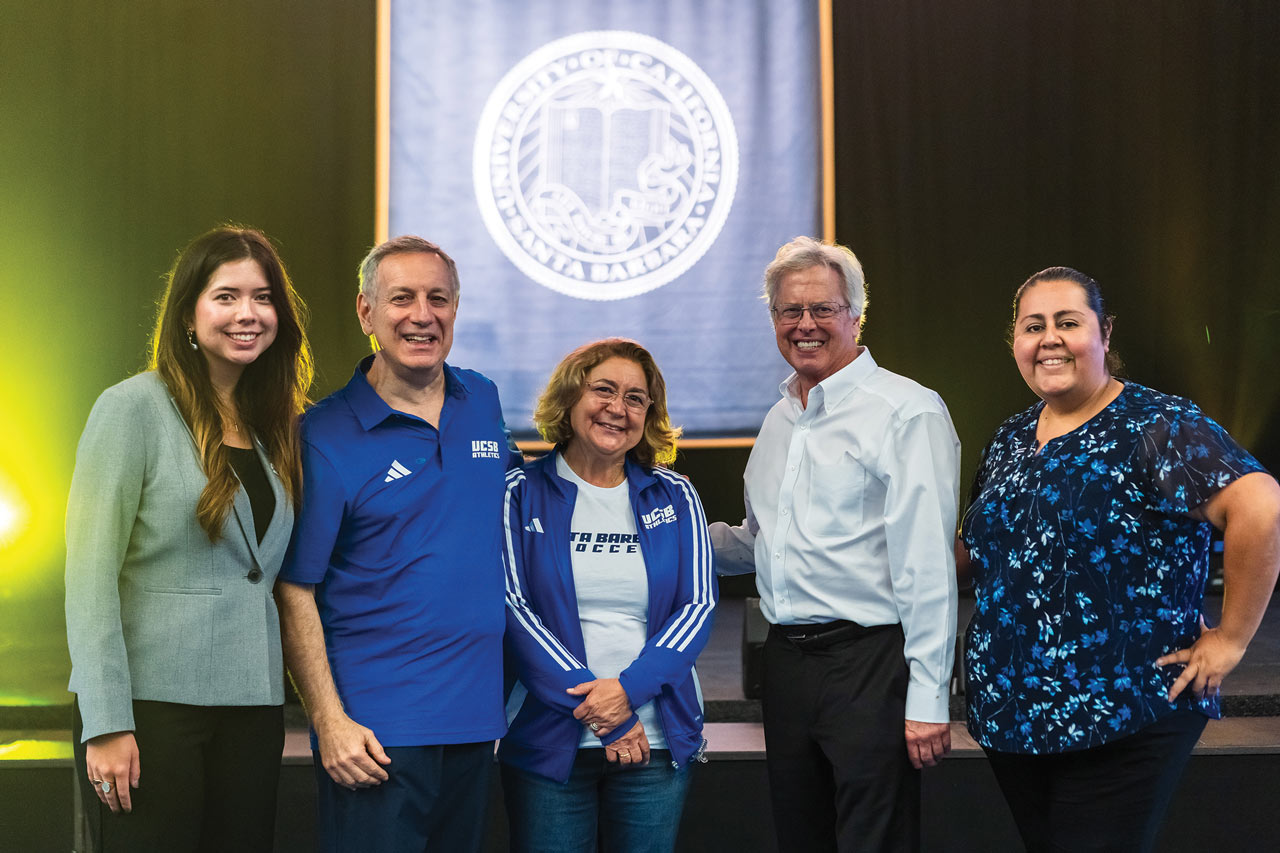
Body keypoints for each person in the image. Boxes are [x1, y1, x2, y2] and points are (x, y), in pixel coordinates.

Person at [957, 266, 1280, 852]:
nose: (1049, 338)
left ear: (1104, 334)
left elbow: (1261, 508)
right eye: (1033, 326)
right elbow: (978, 549)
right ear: (1015, 343)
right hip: (1013, 717)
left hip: (1123, 711)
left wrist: (1230, 639)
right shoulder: (1010, 437)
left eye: (1068, 322)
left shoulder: (1156, 426)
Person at [64, 226, 312, 851]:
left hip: (251, 709)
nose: (247, 314)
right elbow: (89, 578)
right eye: (226, 295)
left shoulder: (276, 424)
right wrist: (106, 722)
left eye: (262, 297)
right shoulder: (131, 409)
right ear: (188, 314)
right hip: (150, 711)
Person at [710, 236, 960, 852]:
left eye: (823, 309)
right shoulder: (778, 419)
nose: (805, 325)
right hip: (788, 664)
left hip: (870, 667)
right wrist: (656, 531)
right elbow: (762, 543)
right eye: (789, 311)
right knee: (802, 839)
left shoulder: (907, 412)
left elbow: (927, 565)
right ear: (773, 320)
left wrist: (930, 697)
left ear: (856, 313)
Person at [275, 235, 513, 852]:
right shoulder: (323, 435)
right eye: (401, 298)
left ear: (455, 308)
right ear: (366, 313)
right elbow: (295, 586)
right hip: (375, 734)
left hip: (474, 721)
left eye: (438, 298)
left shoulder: (481, 399)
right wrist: (328, 721)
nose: (421, 314)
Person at [500, 338, 717, 853]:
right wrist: (610, 715)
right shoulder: (518, 492)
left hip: (656, 744)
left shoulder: (676, 494)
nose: (618, 408)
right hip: (550, 743)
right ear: (571, 398)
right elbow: (514, 609)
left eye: (636, 398)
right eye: (603, 390)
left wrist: (628, 693)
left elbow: (699, 605)